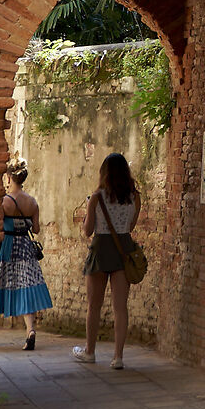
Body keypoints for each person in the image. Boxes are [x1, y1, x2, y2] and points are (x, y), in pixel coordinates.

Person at [74, 151, 141, 371]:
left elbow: (87, 230)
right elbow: (130, 227)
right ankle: (118, 357)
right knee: (120, 307)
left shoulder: (97, 197)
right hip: (123, 250)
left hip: (101, 249)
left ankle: (90, 352)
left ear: (105, 173)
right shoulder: (135, 197)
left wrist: (87, 214)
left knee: (94, 305)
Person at [0, 160, 53, 351]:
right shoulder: (32, 202)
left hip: (8, 247)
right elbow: (36, 229)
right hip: (25, 248)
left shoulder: (4, 202)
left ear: (9, 177)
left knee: (0, 284)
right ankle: (30, 330)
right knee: (27, 285)